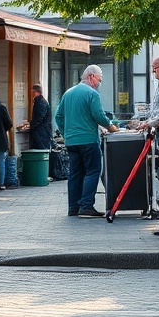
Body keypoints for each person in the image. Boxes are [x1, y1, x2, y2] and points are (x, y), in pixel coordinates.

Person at [55, 65, 118, 217]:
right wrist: (110, 126)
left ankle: (73, 207)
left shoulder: (68, 93)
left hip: (71, 142)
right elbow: (98, 115)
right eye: (99, 79)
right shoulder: (92, 94)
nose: (99, 83)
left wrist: (66, 133)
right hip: (88, 140)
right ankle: (86, 206)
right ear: (91, 76)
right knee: (93, 171)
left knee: (75, 174)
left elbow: (58, 116)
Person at [27, 83, 53, 151]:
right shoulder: (40, 102)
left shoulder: (40, 103)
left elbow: (39, 118)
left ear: (35, 92)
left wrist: (31, 125)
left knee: (40, 151)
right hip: (41, 132)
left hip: (40, 133)